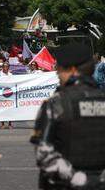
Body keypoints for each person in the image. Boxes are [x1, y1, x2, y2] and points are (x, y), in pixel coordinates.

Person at [30, 35, 105, 190]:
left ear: (72, 69)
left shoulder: (56, 103)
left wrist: (78, 179)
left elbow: (44, 155)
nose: (57, 73)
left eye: (59, 68)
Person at [0, 62, 13, 129]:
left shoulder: (11, 74)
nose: (5, 68)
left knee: (10, 109)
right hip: (1, 92)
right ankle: (2, 124)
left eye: (7, 66)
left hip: (9, 93)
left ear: (8, 67)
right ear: (2, 67)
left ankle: (10, 124)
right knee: (2, 108)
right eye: (4, 66)